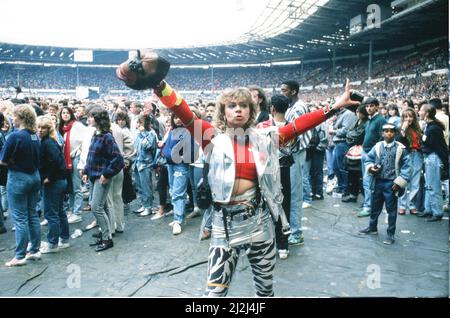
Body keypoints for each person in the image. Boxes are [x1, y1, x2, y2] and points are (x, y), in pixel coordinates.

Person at [115, 51, 360, 296]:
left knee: (265, 292)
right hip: (224, 225)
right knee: (214, 294)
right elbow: (184, 112)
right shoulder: (211, 137)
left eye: (244, 105)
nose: (238, 110)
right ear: (223, 111)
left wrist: (334, 107)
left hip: (259, 222)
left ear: (251, 110)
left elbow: (296, 127)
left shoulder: (265, 138)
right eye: (232, 106)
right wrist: (160, 86)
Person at [0, 105, 41, 266]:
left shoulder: (15, 136)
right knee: (32, 215)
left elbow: (2, 160)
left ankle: (19, 255)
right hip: (34, 177)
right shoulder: (35, 135)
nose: (12, 119)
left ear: (21, 117)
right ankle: (34, 250)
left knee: (20, 218)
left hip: (18, 178)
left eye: (14, 116)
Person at [358, 123, 411, 245]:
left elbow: (407, 167)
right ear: (382, 133)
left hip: (391, 184)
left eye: (391, 131)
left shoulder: (400, 148)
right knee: (375, 207)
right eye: (386, 131)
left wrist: (399, 182)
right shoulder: (377, 147)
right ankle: (372, 227)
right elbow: (368, 159)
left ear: (395, 133)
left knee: (391, 209)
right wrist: (371, 168)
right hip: (378, 182)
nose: (389, 133)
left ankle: (390, 233)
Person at [82, 108, 124, 252]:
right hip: (95, 176)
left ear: (98, 119)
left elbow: (118, 159)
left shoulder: (107, 136)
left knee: (96, 207)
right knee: (102, 207)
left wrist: (106, 174)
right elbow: (91, 156)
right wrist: (87, 171)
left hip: (101, 177)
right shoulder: (97, 134)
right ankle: (105, 235)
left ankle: (107, 238)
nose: (89, 119)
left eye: (91, 116)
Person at [36, 116, 70, 253]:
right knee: (60, 211)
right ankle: (64, 239)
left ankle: (53, 243)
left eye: (43, 127)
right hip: (59, 181)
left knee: (51, 214)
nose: (40, 130)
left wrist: (49, 177)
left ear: (48, 128)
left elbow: (56, 162)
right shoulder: (51, 141)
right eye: (38, 127)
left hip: (54, 182)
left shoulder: (47, 143)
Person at [416, 104, 448, 222]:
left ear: (427, 113)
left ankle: (437, 212)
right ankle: (429, 210)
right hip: (430, 158)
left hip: (433, 158)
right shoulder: (430, 126)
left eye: (421, 110)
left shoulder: (433, 129)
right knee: (429, 185)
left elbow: (433, 145)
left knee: (433, 186)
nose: (419, 112)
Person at [359, 97, 386, 217]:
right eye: (367, 106)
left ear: (377, 106)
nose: (368, 108)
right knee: (367, 181)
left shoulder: (381, 120)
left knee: (368, 181)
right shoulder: (369, 120)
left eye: (371, 106)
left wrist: (374, 152)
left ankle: (368, 206)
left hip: (372, 154)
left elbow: (383, 138)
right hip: (365, 152)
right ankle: (368, 203)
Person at [397, 109, 423, 215]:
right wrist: (403, 129)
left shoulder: (418, 129)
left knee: (415, 182)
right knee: (403, 181)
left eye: (411, 116)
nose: (408, 119)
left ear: (414, 117)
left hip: (417, 155)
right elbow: (398, 142)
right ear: (403, 118)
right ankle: (402, 205)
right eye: (406, 117)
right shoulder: (399, 128)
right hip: (406, 156)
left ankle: (411, 205)